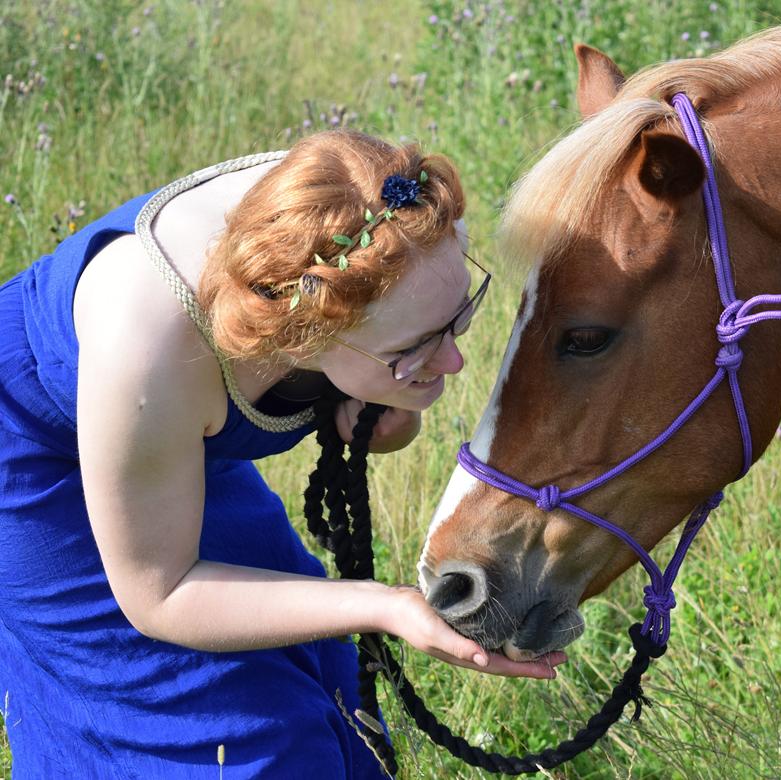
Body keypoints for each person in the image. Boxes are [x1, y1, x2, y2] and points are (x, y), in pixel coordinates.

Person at [0, 129, 564, 778]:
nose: (456, 360)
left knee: (312, 679)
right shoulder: (153, 348)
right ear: (302, 341)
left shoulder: (389, 223)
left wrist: (390, 403)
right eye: (416, 349)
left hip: (163, 437)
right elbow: (162, 595)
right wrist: (386, 605)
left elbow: (388, 416)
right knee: (228, 738)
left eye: (457, 321)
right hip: (30, 459)